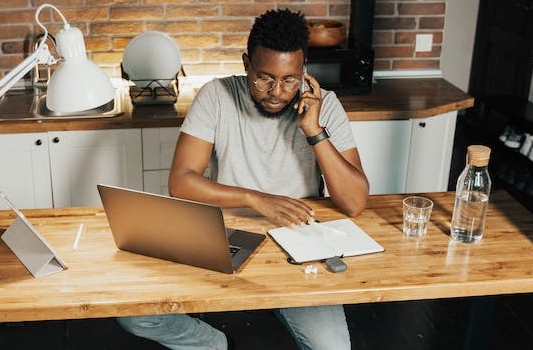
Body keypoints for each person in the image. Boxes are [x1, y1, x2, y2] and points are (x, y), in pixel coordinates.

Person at [117, 8, 369, 350]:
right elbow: (182, 182)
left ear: (304, 72)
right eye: (264, 77)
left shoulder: (326, 107)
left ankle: (277, 300)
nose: (277, 92)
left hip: (299, 240)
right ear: (246, 63)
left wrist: (314, 131)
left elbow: (354, 202)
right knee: (137, 314)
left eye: (290, 80)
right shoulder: (217, 96)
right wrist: (256, 198)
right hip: (223, 233)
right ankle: (213, 343)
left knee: (333, 347)